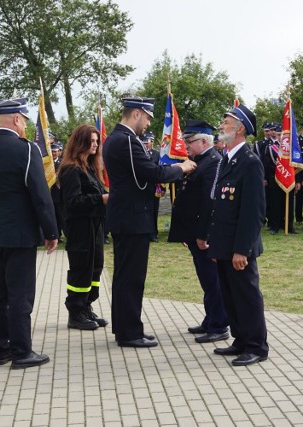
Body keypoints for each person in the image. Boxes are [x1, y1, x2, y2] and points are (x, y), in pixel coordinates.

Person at [102, 96, 196, 348]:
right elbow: (152, 172)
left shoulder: (118, 139)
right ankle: (130, 332)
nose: (147, 123)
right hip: (132, 218)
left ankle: (126, 328)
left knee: (125, 276)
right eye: (146, 118)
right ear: (136, 114)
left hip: (127, 216)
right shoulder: (125, 141)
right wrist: (182, 166)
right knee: (131, 277)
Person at [0, 97, 58, 369]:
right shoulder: (27, 150)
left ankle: (1, 349)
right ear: (17, 119)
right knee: (20, 294)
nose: (24, 126)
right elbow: (40, 194)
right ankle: (22, 351)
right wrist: (51, 230)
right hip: (20, 234)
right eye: (24, 120)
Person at [201, 104, 268, 366]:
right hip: (224, 245)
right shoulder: (229, 159)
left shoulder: (249, 163)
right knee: (230, 294)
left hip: (240, 247)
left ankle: (256, 346)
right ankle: (241, 339)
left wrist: (242, 249)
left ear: (240, 129)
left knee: (247, 296)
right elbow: (222, 207)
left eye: (226, 122)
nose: (221, 126)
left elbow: (254, 212)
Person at [168, 120, 228, 344]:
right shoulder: (198, 161)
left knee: (213, 280)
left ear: (204, 141)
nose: (186, 145)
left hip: (205, 233)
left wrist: (204, 234)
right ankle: (210, 318)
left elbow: (209, 202)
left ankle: (219, 324)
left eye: (189, 141)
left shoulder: (213, 162)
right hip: (193, 231)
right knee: (205, 278)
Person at [58, 124, 108, 331]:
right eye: (92, 141)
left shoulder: (89, 167)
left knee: (95, 266)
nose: (95, 144)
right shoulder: (71, 169)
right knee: (81, 268)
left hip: (94, 225)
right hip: (80, 227)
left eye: (97, 141)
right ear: (81, 143)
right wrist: (101, 199)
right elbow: (73, 201)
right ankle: (75, 311)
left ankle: (87, 305)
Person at [141, 131, 162, 242]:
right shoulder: (140, 153)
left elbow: (161, 169)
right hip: (142, 186)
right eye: (145, 142)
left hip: (154, 187)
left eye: (149, 142)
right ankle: (145, 231)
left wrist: (162, 187)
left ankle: (153, 233)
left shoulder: (156, 154)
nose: (147, 144)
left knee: (154, 210)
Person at [50, 144, 65, 242]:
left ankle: (67, 234)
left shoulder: (62, 163)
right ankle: (56, 236)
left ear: (59, 152)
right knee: (53, 217)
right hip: (50, 194)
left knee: (61, 216)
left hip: (59, 194)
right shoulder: (47, 164)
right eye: (52, 152)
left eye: (55, 151)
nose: (54, 153)